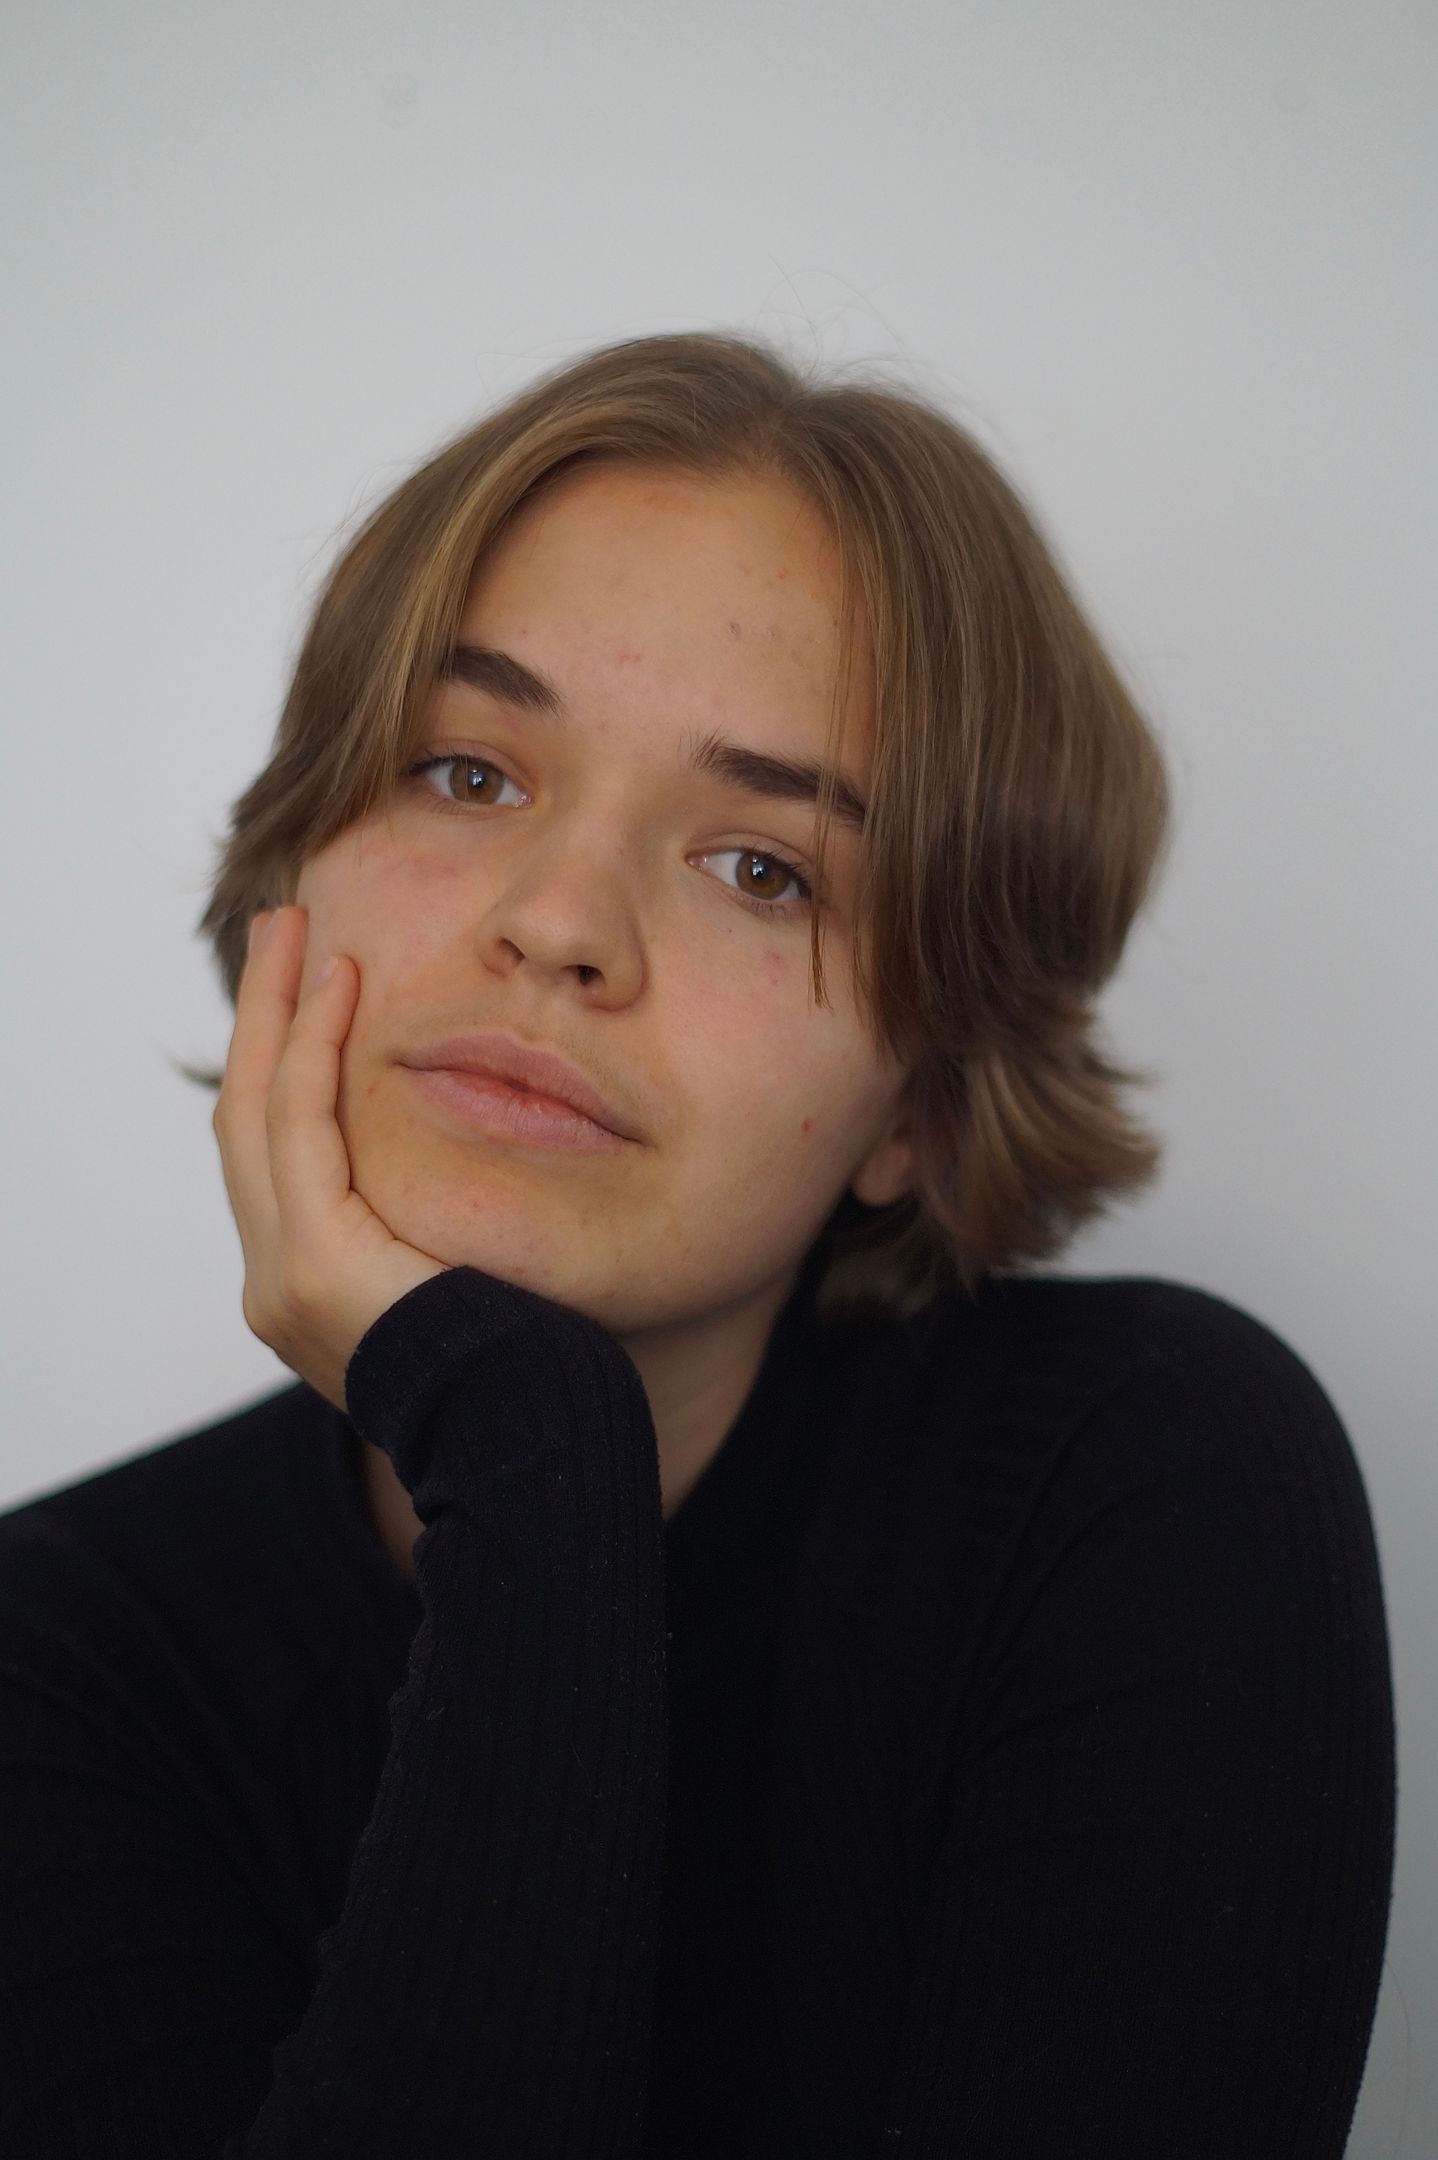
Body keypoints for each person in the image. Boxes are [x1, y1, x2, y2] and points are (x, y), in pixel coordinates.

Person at [0, 331, 1395, 2158]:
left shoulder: (1138, 1471)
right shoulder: (53, 1660)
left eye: (763, 867)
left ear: (918, 1101)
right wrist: (526, 1459)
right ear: (290, 884)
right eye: (465, 773)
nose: (559, 924)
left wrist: (517, 1450)